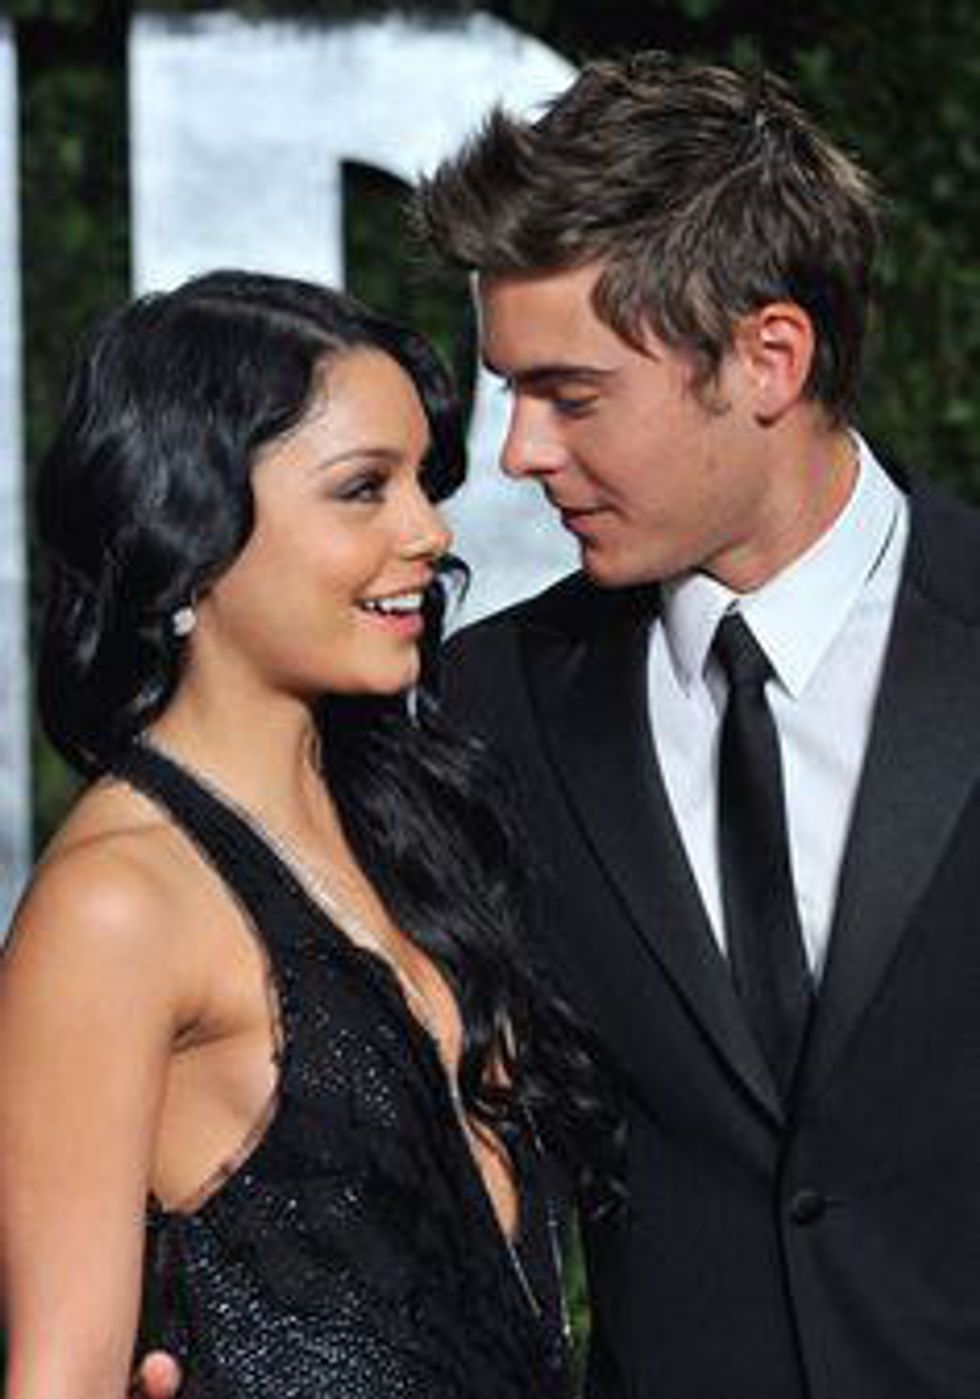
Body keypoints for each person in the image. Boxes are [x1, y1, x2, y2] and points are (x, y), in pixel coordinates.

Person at [411, 50, 980, 1399]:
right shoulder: (488, 703)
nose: (519, 453)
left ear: (768, 357)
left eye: (571, 393)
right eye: (509, 391)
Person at [0, 271, 616, 1399]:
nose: (428, 531)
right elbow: (61, 1377)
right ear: (191, 533)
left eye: (422, 481)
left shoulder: (412, 821)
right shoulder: (118, 903)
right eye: (362, 489)